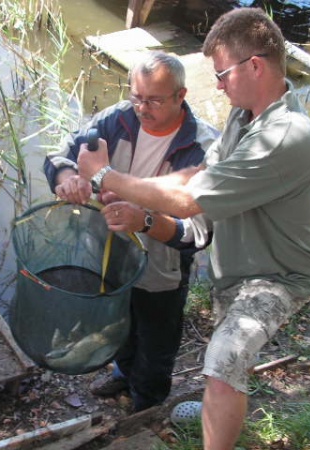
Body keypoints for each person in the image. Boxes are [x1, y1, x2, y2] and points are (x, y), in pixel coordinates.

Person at [77, 8, 310, 449]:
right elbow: (194, 178)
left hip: (277, 277)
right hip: (236, 272)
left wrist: (105, 177)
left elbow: (191, 201)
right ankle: (215, 407)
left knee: (224, 361)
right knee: (227, 360)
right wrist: (134, 197)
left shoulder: (284, 134)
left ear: (254, 66)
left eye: (222, 74)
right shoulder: (246, 117)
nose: (219, 84)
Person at [44, 51, 219, 412]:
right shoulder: (116, 120)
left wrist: (145, 221)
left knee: (157, 342)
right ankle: (123, 374)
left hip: (161, 268)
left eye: (154, 100)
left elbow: (198, 233)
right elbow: (61, 155)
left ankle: (148, 404)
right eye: (136, 96)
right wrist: (69, 179)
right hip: (110, 253)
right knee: (118, 323)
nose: (142, 108)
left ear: (181, 96)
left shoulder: (203, 147)